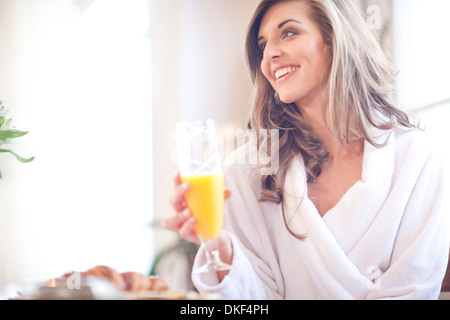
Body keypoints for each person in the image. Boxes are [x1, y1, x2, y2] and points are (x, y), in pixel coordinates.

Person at [163, 0, 449, 299]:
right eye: (263, 46)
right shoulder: (245, 173)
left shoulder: (417, 158)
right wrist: (220, 251)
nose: (270, 54)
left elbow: (411, 290)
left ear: (335, 40)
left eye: (288, 33)